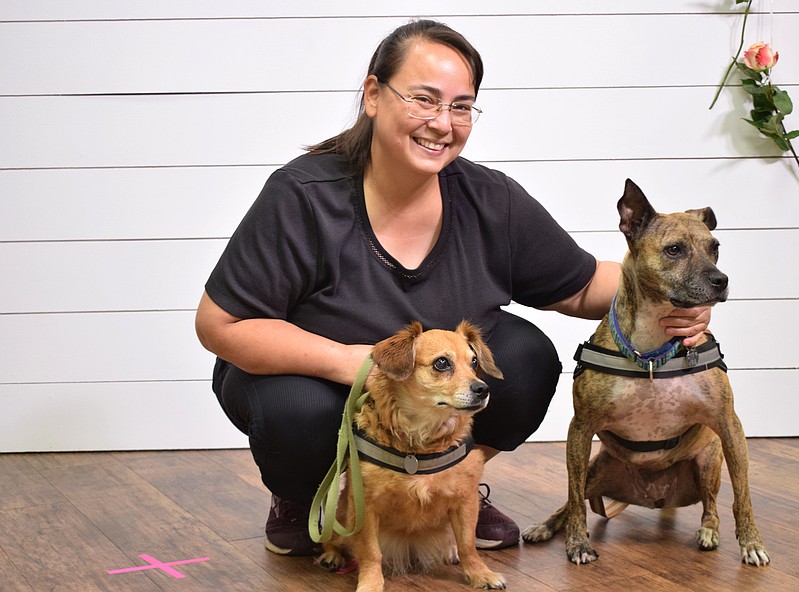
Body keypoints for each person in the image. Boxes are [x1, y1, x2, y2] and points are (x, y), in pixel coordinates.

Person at [195, 19, 709, 557]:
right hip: (319, 378)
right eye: (424, 99)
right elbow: (219, 324)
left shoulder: (490, 197)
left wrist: (674, 291)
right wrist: (349, 362)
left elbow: (581, 287)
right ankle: (302, 496)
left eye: (461, 106)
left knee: (525, 355)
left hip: (433, 381)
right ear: (373, 95)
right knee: (301, 412)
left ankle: (452, 481)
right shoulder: (302, 195)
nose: (442, 123)